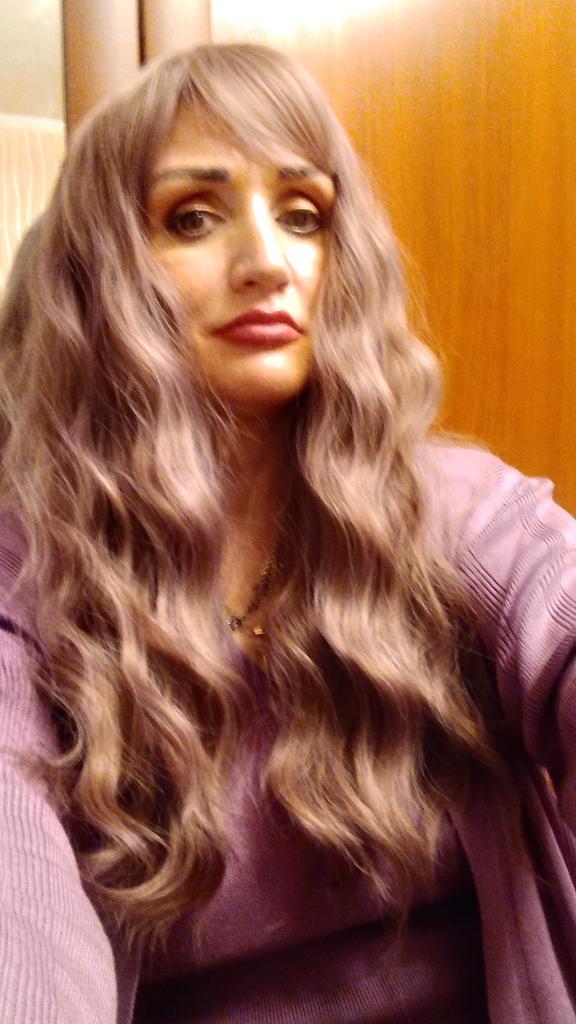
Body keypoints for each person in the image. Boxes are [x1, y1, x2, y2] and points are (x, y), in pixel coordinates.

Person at [0, 42, 575, 1024]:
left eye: (303, 214)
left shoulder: (455, 513)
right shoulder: (28, 578)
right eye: (193, 216)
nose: (266, 261)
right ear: (105, 272)